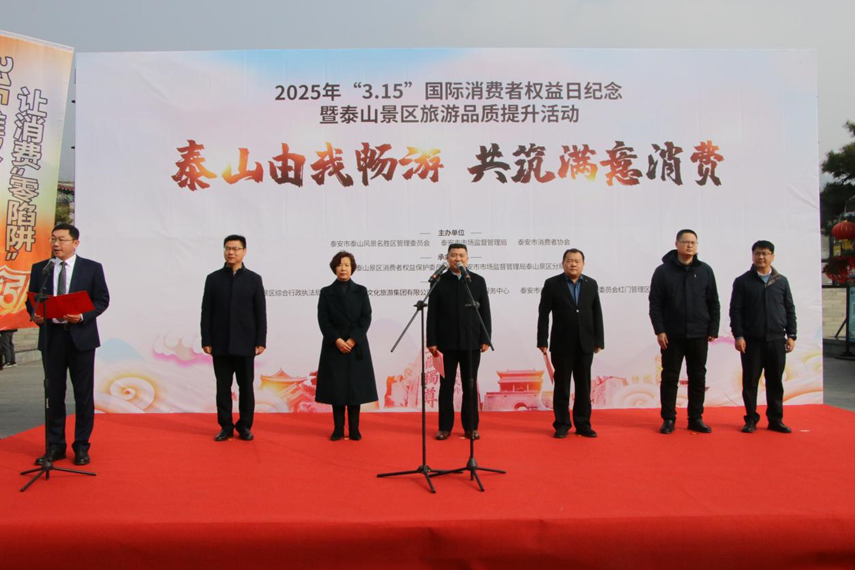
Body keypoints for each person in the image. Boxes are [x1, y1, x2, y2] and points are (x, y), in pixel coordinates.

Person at [27, 223, 110, 466]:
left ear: (75, 243)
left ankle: (81, 446)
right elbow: (32, 300)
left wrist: (83, 316)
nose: (56, 244)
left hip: (81, 338)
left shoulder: (92, 268)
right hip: (51, 337)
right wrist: (36, 314)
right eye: (53, 239)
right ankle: (55, 446)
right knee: (53, 394)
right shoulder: (41, 269)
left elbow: (102, 299)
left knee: (83, 394)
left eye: (61, 239)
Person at [649, 229, 720, 434]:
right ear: (677, 244)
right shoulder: (663, 271)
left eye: (693, 243)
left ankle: (695, 418)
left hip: (699, 333)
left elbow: (713, 302)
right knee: (670, 377)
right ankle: (668, 418)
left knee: (698, 377)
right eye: (686, 242)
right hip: (672, 335)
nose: (690, 246)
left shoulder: (705, 270)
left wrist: (712, 329)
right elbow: (655, 304)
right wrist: (660, 330)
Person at [201, 235, 267, 442]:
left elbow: (260, 312)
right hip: (220, 343)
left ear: (244, 252)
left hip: (246, 343)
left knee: (246, 387)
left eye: (236, 248)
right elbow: (206, 312)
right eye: (228, 248)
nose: (231, 252)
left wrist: (260, 340)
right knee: (223, 387)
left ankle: (245, 426)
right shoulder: (213, 279)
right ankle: (226, 426)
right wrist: (206, 340)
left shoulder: (254, 279)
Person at [729, 240, 797, 434]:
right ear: (752, 256)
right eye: (757, 253)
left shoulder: (781, 281)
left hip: (776, 339)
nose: (761, 257)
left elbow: (789, 309)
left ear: (772, 256)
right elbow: (735, 311)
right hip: (752, 341)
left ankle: (776, 419)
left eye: (765, 253)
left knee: (775, 381)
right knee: (750, 382)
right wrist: (738, 335)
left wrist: (792, 335)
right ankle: (751, 419)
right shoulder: (742, 281)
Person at [427, 243, 492, 440]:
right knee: (446, 386)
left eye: (461, 255)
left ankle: (471, 427)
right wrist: (432, 340)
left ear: (467, 258)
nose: (458, 259)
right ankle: (444, 427)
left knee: (470, 386)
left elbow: (485, 311)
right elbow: (432, 314)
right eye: (454, 255)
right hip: (445, 344)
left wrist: (486, 337)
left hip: (471, 343)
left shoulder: (477, 281)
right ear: (447, 259)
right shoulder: (439, 281)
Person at [537, 249, 604, 438]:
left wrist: (599, 340)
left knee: (584, 386)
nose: (573, 264)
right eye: (569, 260)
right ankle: (562, 424)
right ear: (563, 263)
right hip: (561, 344)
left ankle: (583, 424)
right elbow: (543, 314)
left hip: (585, 343)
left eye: (577, 261)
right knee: (562, 386)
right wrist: (542, 340)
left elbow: (597, 313)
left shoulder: (591, 284)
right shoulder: (552, 284)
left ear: (583, 264)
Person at [315, 251, 378, 441]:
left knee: (354, 389)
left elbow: (366, 317)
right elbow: (323, 320)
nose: (343, 268)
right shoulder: (326, 292)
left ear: (352, 268)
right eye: (340, 265)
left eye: (347, 265)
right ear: (334, 268)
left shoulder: (361, 291)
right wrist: (337, 339)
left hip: (356, 346)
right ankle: (338, 429)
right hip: (334, 345)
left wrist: (352, 340)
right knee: (337, 389)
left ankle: (354, 429)